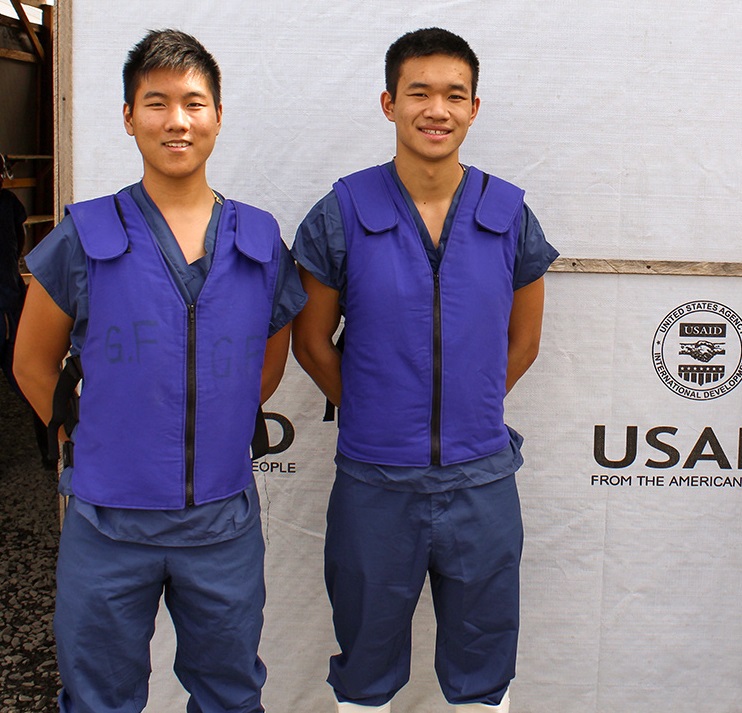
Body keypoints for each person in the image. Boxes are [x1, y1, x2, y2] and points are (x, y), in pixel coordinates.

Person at [13, 29, 306, 712]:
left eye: (194, 102)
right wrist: (87, 443)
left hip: (220, 523)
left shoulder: (258, 240)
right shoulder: (83, 235)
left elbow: (268, 360)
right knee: (99, 697)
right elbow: (31, 361)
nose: (177, 120)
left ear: (217, 115)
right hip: (109, 521)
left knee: (229, 692)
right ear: (128, 117)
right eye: (157, 103)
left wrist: (217, 422)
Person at [292, 27, 558, 713]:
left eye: (453, 95)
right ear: (389, 103)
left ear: (474, 108)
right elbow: (312, 339)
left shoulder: (507, 214)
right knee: (366, 668)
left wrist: (468, 408)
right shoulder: (342, 212)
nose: (436, 109)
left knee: (483, 669)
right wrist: (377, 409)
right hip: (374, 482)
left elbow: (524, 339)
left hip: (482, 480)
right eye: (419, 93)